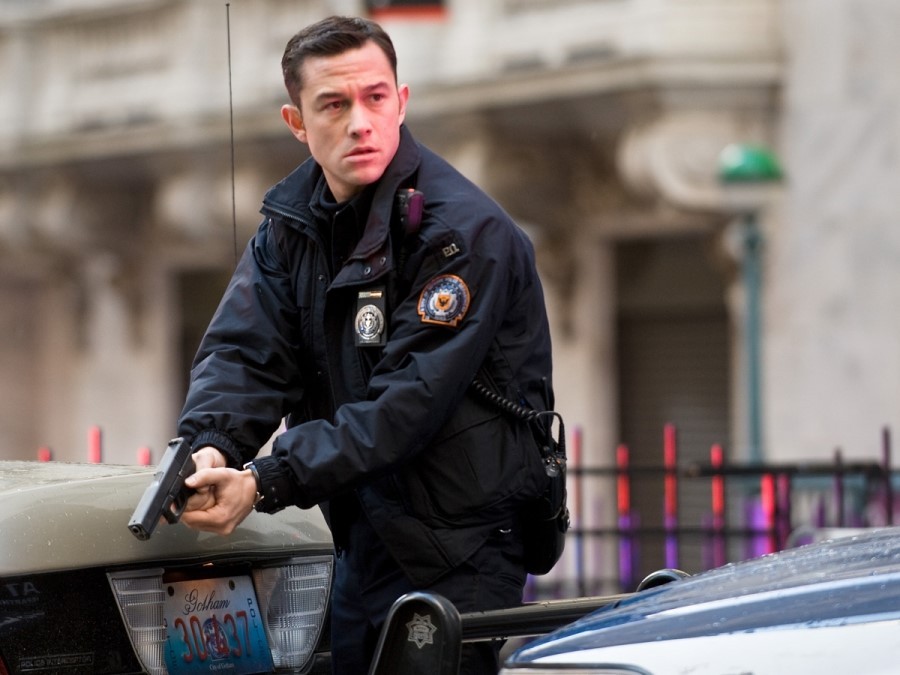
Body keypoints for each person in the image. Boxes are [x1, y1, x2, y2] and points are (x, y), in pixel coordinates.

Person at [177, 15, 555, 674]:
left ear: (401, 101)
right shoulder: (290, 224)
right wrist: (211, 444)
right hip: (359, 528)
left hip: (459, 546)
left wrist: (264, 480)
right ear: (297, 122)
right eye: (334, 104)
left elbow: (405, 406)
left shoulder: (462, 235)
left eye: (375, 97)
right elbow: (244, 352)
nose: (360, 122)